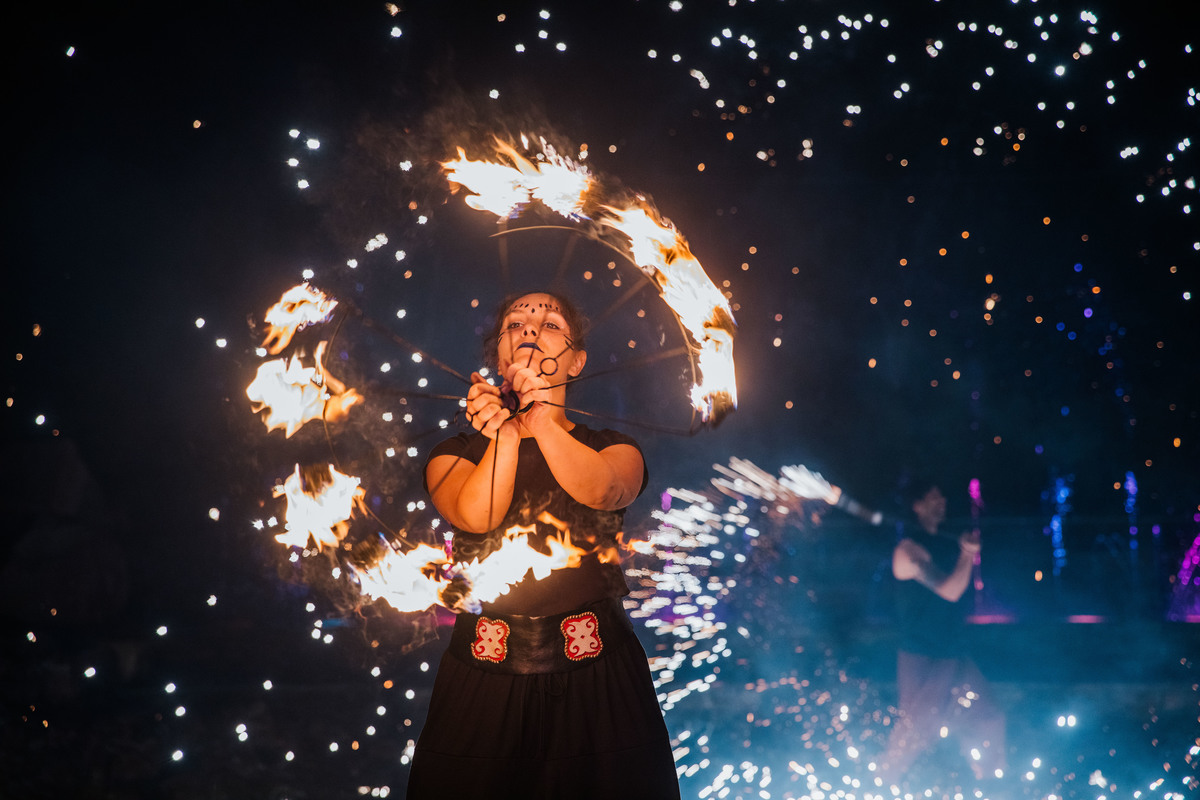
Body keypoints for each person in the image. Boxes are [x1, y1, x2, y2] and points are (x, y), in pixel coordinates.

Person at [406, 291, 681, 800]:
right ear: (499, 357)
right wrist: (506, 437)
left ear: (576, 361)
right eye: (516, 322)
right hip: (482, 681)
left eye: (550, 322)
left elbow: (602, 489)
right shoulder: (454, 453)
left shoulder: (611, 447)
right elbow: (475, 514)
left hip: (598, 682)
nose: (531, 326)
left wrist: (540, 420)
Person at [880, 482, 1007, 784]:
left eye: (942, 496)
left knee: (989, 716)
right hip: (921, 656)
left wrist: (963, 550)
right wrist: (967, 555)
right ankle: (881, 786)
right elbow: (949, 590)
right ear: (916, 506)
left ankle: (993, 784)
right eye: (933, 497)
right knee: (914, 735)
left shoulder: (943, 544)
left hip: (953, 652)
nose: (941, 501)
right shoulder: (907, 552)